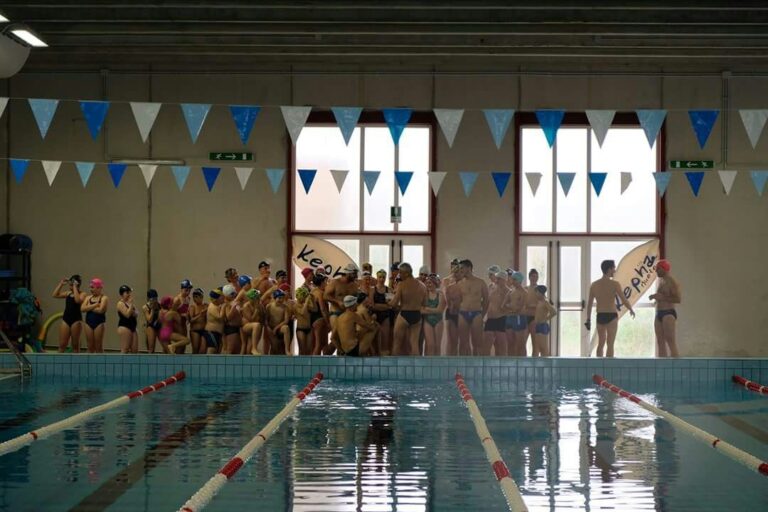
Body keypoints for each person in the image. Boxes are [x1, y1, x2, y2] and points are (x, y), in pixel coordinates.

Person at [585, 259, 636, 358]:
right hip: (611, 316)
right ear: (609, 269)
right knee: (610, 344)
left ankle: (599, 366)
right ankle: (608, 368)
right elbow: (623, 299)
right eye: (614, 268)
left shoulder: (594, 285)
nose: (615, 271)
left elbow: (589, 304)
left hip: (600, 316)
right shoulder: (615, 284)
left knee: (601, 343)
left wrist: (588, 319)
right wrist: (630, 309)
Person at [390, 262, 427, 355]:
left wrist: (387, 303)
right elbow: (425, 303)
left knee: (397, 343)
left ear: (407, 273)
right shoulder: (422, 286)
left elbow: (394, 303)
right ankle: (417, 368)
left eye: (401, 273)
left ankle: (394, 367)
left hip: (405, 314)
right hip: (417, 315)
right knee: (414, 344)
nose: (399, 275)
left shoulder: (401, 285)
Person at [650, 259, 681, 358]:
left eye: (658, 269)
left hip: (668, 314)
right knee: (660, 342)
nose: (656, 271)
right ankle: (662, 368)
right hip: (659, 313)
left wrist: (661, 297)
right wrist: (655, 297)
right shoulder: (661, 281)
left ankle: (676, 368)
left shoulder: (672, 282)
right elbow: (661, 297)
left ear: (664, 269)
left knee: (671, 341)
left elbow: (678, 299)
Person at [457, 260, 489, 356]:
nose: (460, 270)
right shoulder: (459, 284)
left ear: (469, 268)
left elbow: (486, 300)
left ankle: (477, 367)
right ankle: (463, 367)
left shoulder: (480, 282)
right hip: (463, 313)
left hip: (476, 313)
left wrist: (482, 314)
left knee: (477, 343)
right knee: (463, 343)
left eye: (462, 268)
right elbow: (457, 300)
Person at [52, 274, 85, 353]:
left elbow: (77, 300)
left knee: (75, 345)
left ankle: (76, 364)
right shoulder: (68, 293)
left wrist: (75, 287)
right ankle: (58, 363)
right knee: (62, 345)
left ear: (78, 284)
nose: (70, 286)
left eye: (72, 284)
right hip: (66, 319)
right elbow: (55, 295)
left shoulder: (83, 294)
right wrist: (61, 284)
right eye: (70, 284)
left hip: (76, 320)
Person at [324, 263, 360, 332]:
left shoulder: (355, 286)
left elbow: (357, 300)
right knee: (336, 337)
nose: (356, 276)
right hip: (336, 312)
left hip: (349, 314)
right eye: (354, 274)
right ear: (348, 274)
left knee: (346, 338)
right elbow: (325, 296)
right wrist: (337, 301)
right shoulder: (335, 282)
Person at [484, 270, 509, 356]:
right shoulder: (492, 288)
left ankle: (502, 366)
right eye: (496, 278)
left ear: (504, 280)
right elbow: (488, 303)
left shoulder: (508, 291)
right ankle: (485, 365)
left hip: (501, 318)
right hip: (490, 319)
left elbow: (509, 307)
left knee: (501, 345)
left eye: (499, 279)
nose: (496, 280)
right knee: (486, 344)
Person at [503, 271, 528, 356]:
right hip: (509, 318)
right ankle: (511, 363)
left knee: (520, 344)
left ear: (519, 281)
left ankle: (522, 364)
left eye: (514, 280)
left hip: (519, 318)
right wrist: (511, 307)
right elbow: (503, 305)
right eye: (512, 279)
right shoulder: (510, 291)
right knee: (510, 343)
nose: (512, 281)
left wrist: (509, 307)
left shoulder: (524, 292)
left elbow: (519, 308)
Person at [369, 269, 393, 356]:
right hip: (375, 316)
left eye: (383, 277)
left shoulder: (389, 290)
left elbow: (390, 306)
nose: (382, 279)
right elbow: (371, 305)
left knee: (385, 339)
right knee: (374, 339)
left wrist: (377, 306)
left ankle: (384, 356)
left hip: (385, 316)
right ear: (377, 278)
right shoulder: (372, 290)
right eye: (380, 277)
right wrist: (384, 306)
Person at [421, 274, 446, 356]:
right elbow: (421, 310)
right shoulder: (424, 295)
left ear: (435, 283)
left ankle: (437, 365)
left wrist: (427, 309)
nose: (428, 285)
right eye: (427, 283)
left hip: (438, 320)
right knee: (430, 345)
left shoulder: (441, 295)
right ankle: (428, 364)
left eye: (430, 283)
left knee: (437, 345)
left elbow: (440, 310)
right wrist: (433, 310)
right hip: (427, 321)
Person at [81, 278, 108, 353]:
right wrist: (95, 305)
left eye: (92, 287)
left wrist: (88, 307)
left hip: (99, 323)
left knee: (98, 346)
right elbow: (82, 309)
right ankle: (89, 364)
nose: (90, 289)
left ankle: (101, 363)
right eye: (90, 287)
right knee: (89, 347)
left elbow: (101, 310)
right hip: (88, 323)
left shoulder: (104, 298)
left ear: (99, 288)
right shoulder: (88, 298)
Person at [442, 258, 462, 355]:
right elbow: (446, 295)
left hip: (461, 312)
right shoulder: (446, 280)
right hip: (450, 312)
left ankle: (459, 364)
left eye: (456, 266)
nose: (454, 268)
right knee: (450, 341)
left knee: (459, 341)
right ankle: (448, 363)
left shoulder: (464, 280)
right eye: (453, 266)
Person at [265, 289, 292, 355]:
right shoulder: (269, 306)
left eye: (282, 298)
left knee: (286, 328)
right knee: (275, 347)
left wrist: (276, 328)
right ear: (274, 298)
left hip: (279, 328)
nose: (281, 300)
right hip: (270, 329)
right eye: (279, 298)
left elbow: (286, 321)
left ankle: (287, 350)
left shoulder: (285, 308)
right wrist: (268, 328)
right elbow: (266, 320)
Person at [533, 285, 557, 357]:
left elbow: (554, 312)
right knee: (538, 347)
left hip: (542, 326)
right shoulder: (539, 302)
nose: (535, 294)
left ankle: (546, 365)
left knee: (544, 348)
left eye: (536, 292)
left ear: (540, 293)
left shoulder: (545, 302)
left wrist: (545, 319)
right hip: (538, 325)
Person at [172, 279, 194, 352]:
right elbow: (172, 314)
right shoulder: (177, 300)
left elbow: (186, 310)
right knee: (180, 344)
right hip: (177, 324)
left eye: (189, 290)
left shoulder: (188, 298)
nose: (188, 292)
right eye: (186, 290)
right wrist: (182, 315)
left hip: (183, 323)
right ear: (182, 289)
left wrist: (187, 316)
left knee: (183, 345)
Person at [523, 269, 541, 355]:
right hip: (526, 317)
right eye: (533, 276)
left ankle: (535, 362)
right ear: (529, 277)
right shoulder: (525, 289)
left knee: (535, 342)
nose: (535, 278)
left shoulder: (540, 290)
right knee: (523, 342)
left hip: (535, 317)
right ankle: (524, 362)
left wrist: (532, 305)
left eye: (536, 277)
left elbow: (543, 303)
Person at [116, 285, 139, 353]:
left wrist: (131, 307)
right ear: (122, 294)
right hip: (124, 327)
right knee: (125, 349)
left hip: (133, 327)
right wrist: (131, 304)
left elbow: (136, 314)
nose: (129, 294)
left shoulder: (129, 303)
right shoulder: (120, 303)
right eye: (127, 293)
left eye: (129, 292)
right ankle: (121, 363)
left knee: (134, 350)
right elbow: (127, 315)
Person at [202, 288, 225, 354]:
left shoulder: (217, 306)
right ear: (216, 299)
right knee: (211, 350)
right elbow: (220, 317)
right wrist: (223, 307)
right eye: (222, 296)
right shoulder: (212, 307)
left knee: (217, 351)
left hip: (217, 333)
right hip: (212, 333)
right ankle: (207, 364)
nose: (223, 298)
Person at [242, 289, 264, 355]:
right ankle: (254, 348)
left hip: (256, 328)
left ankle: (249, 360)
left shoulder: (259, 305)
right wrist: (257, 309)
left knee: (251, 343)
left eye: (259, 297)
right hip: (246, 326)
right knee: (256, 325)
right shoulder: (246, 306)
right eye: (257, 297)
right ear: (252, 298)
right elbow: (251, 320)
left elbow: (263, 316)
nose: (259, 298)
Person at [222, 284, 242, 354]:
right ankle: (225, 365)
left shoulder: (235, 302)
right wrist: (233, 307)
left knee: (237, 351)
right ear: (226, 296)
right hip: (231, 329)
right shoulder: (227, 304)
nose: (234, 295)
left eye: (234, 293)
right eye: (232, 294)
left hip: (237, 328)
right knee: (229, 350)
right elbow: (228, 317)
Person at [293, 286, 313, 355]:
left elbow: (314, 309)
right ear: (300, 296)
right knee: (302, 350)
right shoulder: (295, 305)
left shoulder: (306, 305)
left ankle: (307, 365)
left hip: (309, 329)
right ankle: (300, 365)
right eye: (304, 297)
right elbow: (302, 312)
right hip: (300, 329)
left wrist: (310, 300)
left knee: (309, 350)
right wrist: (307, 302)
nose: (305, 298)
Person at [189, 288, 208, 354]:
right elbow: (191, 320)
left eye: (196, 297)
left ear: (201, 297)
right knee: (195, 349)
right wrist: (200, 314)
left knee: (203, 350)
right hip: (195, 331)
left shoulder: (206, 306)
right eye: (194, 297)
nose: (194, 299)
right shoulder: (192, 307)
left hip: (204, 330)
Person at [142, 289, 161, 353]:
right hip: (151, 326)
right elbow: (149, 320)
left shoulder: (160, 304)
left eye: (155, 298)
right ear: (148, 299)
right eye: (152, 299)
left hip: (159, 325)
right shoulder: (145, 307)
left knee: (166, 345)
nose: (154, 300)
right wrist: (152, 309)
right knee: (151, 348)